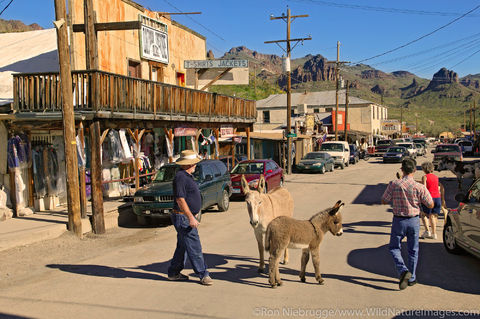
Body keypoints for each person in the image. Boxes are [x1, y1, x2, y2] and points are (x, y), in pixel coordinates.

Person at [381, 158, 434, 290]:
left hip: (399, 220)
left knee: (394, 247)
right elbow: (431, 204)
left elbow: (383, 200)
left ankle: (403, 270)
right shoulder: (419, 187)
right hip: (414, 220)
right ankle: (412, 278)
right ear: (415, 170)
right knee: (413, 250)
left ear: (402, 170)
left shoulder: (394, 184)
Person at [167, 150, 213, 286]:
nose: (196, 165)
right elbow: (180, 200)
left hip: (185, 217)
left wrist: (196, 212)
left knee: (183, 246)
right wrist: (190, 217)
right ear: (189, 164)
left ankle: (173, 272)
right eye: (194, 163)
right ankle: (203, 274)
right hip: (183, 218)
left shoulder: (187, 176)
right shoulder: (181, 177)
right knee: (194, 246)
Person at [420, 162, 441, 240]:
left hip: (429, 198)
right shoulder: (436, 177)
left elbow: (424, 189)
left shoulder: (424, 177)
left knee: (424, 214)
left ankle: (427, 231)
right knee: (433, 216)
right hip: (437, 197)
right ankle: (434, 233)